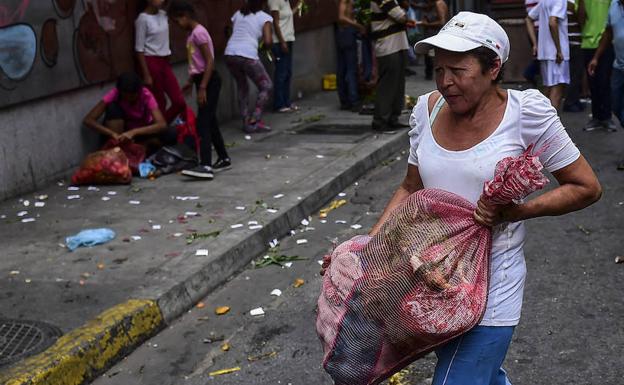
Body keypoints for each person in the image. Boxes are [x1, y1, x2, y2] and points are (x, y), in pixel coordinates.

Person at [370, 12, 601, 384]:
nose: (446, 82)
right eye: (439, 70)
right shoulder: (427, 110)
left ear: (493, 67)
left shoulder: (526, 114)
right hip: (435, 285)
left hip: (493, 289)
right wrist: (369, 248)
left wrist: (516, 211)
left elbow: (586, 187)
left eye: (458, 71)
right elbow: (411, 187)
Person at [169, 1, 231, 180]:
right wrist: (191, 81)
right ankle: (224, 157)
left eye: (177, 21)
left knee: (202, 123)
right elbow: (197, 63)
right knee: (210, 121)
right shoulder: (192, 34)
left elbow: (210, 61)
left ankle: (206, 165)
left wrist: (203, 86)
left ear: (185, 16)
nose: (177, 26)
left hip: (209, 81)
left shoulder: (199, 33)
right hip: (201, 79)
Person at [83, 72, 167, 152]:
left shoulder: (146, 95)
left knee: (170, 134)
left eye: (132, 96)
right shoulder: (115, 93)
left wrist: (134, 132)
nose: (129, 99)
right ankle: (121, 148)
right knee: (113, 108)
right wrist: (112, 134)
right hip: (120, 134)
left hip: (139, 131)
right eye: (125, 96)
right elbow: (88, 120)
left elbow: (161, 124)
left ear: (139, 92)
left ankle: (139, 147)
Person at [224, 0, 274, 133]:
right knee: (266, 86)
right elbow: (268, 41)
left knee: (242, 87)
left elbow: (229, 31)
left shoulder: (238, 14)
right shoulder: (265, 17)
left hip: (230, 54)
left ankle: (246, 122)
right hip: (248, 55)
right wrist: (263, 46)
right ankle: (255, 119)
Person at [135, 0, 186, 124]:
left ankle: (160, 128)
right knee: (159, 102)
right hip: (151, 61)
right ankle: (159, 135)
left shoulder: (164, 14)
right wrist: (146, 75)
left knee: (179, 101)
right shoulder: (142, 19)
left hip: (165, 61)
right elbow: (139, 49)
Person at [370, 0, 417, 131]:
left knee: (397, 84)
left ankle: (392, 117)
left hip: (397, 45)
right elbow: (401, 17)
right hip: (388, 46)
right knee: (388, 85)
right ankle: (381, 119)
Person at [588, 0, 624, 168]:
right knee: (616, 106)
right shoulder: (614, 5)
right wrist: (596, 57)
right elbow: (608, 33)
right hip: (619, 67)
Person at [579, 0, 616, 130]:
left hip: (606, 40)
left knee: (604, 81)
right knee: (593, 82)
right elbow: (581, 16)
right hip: (588, 42)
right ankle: (596, 117)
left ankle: (606, 117)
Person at [527, 0, 570, 109]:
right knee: (557, 91)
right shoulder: (560, 1)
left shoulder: (544, 1)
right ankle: (551, 124)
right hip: (557, 54)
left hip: (545, 52)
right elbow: (552, 22)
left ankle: (543, 123)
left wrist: (535, 44)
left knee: (547, 90)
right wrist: (559, 50)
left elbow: (528, 19)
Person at [269, 0, 302, 113]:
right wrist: (282, 41)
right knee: (281, 72)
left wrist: (297, 7)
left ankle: (286, 101)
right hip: (279, 41)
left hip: (288, 38)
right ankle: (279, 104)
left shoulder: (285, 1)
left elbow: (287, 16)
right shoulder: (274, 1)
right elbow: (275, 23)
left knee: (287, 72)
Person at [336, 0, 366, 112]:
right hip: (347, 33)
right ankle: (353, 100)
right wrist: (358, 25)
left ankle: (345, 100)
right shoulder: (345, 1)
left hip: (344, 33)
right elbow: (341, 17)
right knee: (350, 69)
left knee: (344, 68)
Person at [563, 0, 586, 112]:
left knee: (573, 73)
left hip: (568, 42)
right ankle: (571, 101)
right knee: (575, 73)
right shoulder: (570, 4)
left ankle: (574, 100)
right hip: (574, 42)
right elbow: (581, 20)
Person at [417, 0, 448, 80]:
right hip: (429, 35)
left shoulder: (439, 3)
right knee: (430, 56)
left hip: (436, 35)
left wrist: (427, 24)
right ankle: (431, 74)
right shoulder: (430, 4)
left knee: (433, 56)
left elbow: (442, 22)